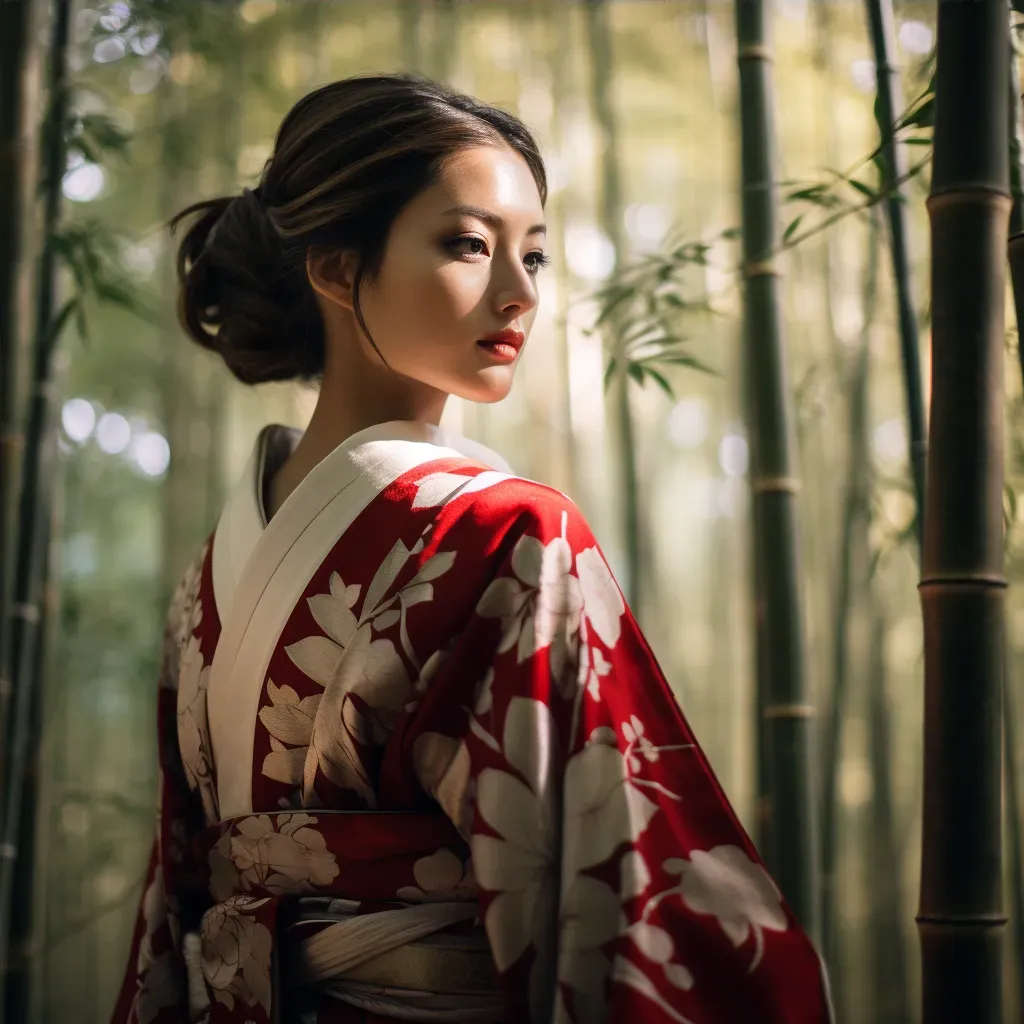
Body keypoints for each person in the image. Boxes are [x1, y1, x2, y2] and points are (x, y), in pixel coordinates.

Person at [110, 72, 833, 1024]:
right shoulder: (512, 534)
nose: (518, 291)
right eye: (467, 244)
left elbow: (174, 903)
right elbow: (621, 889)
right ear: (333, 267)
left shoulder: (203, 577)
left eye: (533, 254)